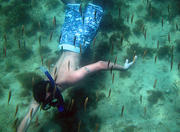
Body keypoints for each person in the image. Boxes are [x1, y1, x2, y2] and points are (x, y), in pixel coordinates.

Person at [17, 0, 138, 131]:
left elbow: (100, 64)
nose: (47, 102)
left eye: (49, 99)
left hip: (81, 37)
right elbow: (28, 118)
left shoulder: (69, 78)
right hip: (66, 39)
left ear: (49, 91)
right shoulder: (41, 90)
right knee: (72, 4)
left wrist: (123, 68)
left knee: (98, 4)